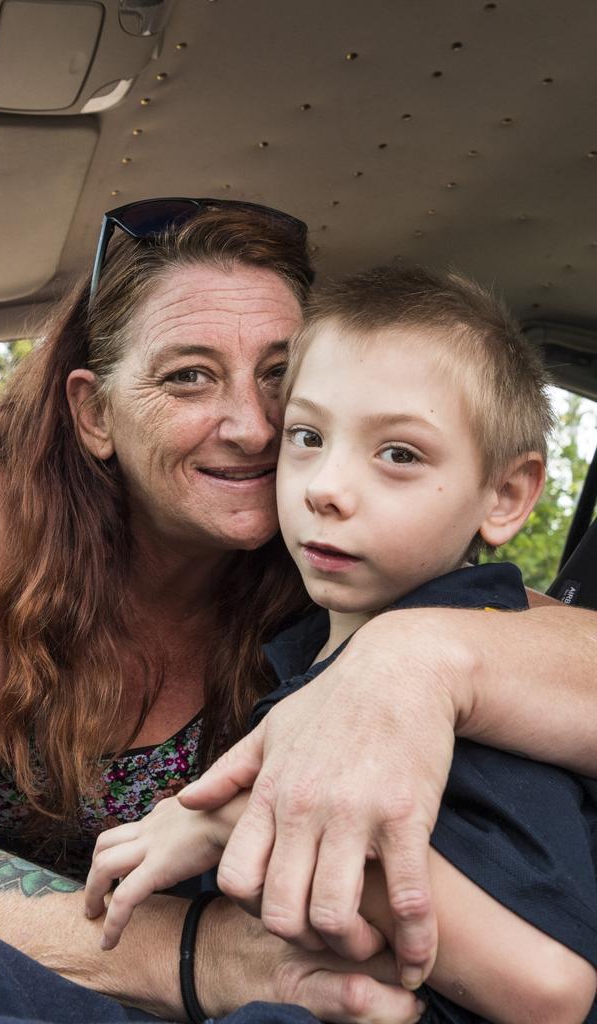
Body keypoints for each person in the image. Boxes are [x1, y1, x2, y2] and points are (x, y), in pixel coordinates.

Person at [0, 200, 597, 1024]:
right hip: (141, 972)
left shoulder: (348, 555)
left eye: (279, 377)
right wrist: (198, 954)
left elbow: (550, 649)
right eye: (188, 375)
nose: (254, 427)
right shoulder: (4, 503)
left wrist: (416, 659)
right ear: (95, 413)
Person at [82, 267, 597, 1022]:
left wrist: (239, 824)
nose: (325, 485)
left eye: (399, 455)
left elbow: (550, 989)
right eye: (308, 436)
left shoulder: (486, 689)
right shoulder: (304, 645)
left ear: (507, 495)